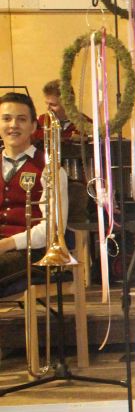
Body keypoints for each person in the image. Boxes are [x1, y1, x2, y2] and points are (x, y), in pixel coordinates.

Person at [0, 91, 67, 285]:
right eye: (6, 119)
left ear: (33, 126)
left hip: (31, 251)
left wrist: (7, 244)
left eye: (21, 119)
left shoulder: (50, 170)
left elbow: (52, 229)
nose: (13, 125)